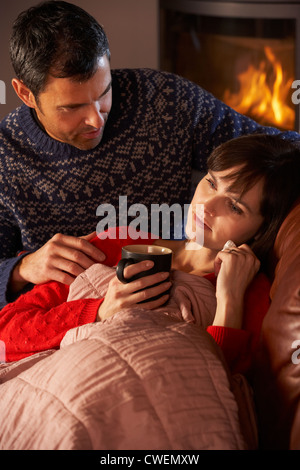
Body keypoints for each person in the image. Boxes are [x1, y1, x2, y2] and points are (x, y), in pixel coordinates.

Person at [0, 1, 299, 311]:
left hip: (175, 295)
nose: (96, 119)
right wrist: (21, 270)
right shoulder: (4, 158)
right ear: (25, 94)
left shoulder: (164, 101)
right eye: (72, 108)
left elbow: (272, 148)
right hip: (62, 317)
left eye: (104, 94)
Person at [1, 134, 299, 376]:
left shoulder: (253, 293)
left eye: (234, 206)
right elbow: (7, 332)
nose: (206, 206)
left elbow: (222, 392)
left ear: (262, 230)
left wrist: (229, 300)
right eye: (211, 182)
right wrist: (100, 311)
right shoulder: (119, 241)